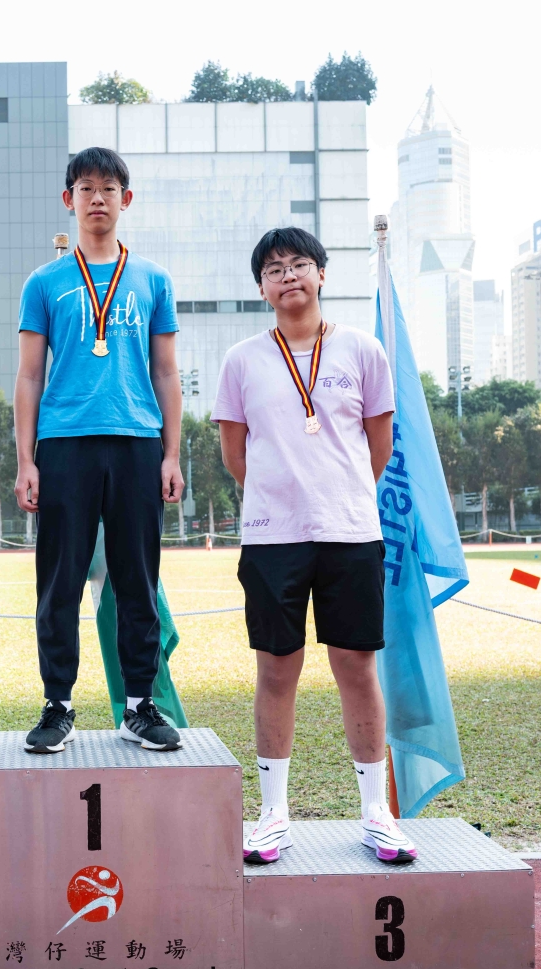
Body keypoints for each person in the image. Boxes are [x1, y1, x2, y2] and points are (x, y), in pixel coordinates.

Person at [212, 227, 417, 866]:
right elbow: (235, 455)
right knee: (276, 670)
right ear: (262, 288)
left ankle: (376, 814)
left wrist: (338, 494)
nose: (288, 276)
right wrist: (282, 496)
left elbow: (379, 445)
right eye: (274, 269)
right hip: (272, 538)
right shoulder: (242, 360)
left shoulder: (362, 350)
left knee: (356, 667)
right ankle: (273, 815)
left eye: (299, 263)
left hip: (350, 532)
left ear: (322, 273)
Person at [14, 146, 185, 755]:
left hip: (138, 442)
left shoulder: (153, 280)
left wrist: (171, 454)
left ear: (125, 199)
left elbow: (166, 372)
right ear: (69, 199)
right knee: (59, 582)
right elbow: (29, 375)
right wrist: (26, 460)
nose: (97, 199)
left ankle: (139, 705)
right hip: (65, 444)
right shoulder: (45, 282)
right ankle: (57, 704)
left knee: (137, 579)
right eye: (86, 188)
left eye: (108, 189)